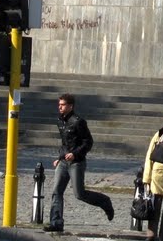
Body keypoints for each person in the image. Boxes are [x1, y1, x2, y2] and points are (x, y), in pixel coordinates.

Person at [44, 93, 114, 233]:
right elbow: (64, 143)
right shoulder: (60, 121)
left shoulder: (78, 122)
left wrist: (75, 154)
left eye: (63, 105)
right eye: (59, 105)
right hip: (64, 162)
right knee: (56, 191)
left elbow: (88, 142)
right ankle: (56, 223)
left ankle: (104, 201)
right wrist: (60, 157)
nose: (60, 107)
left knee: (79, 194)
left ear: (70, 106)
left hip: (77, 163)